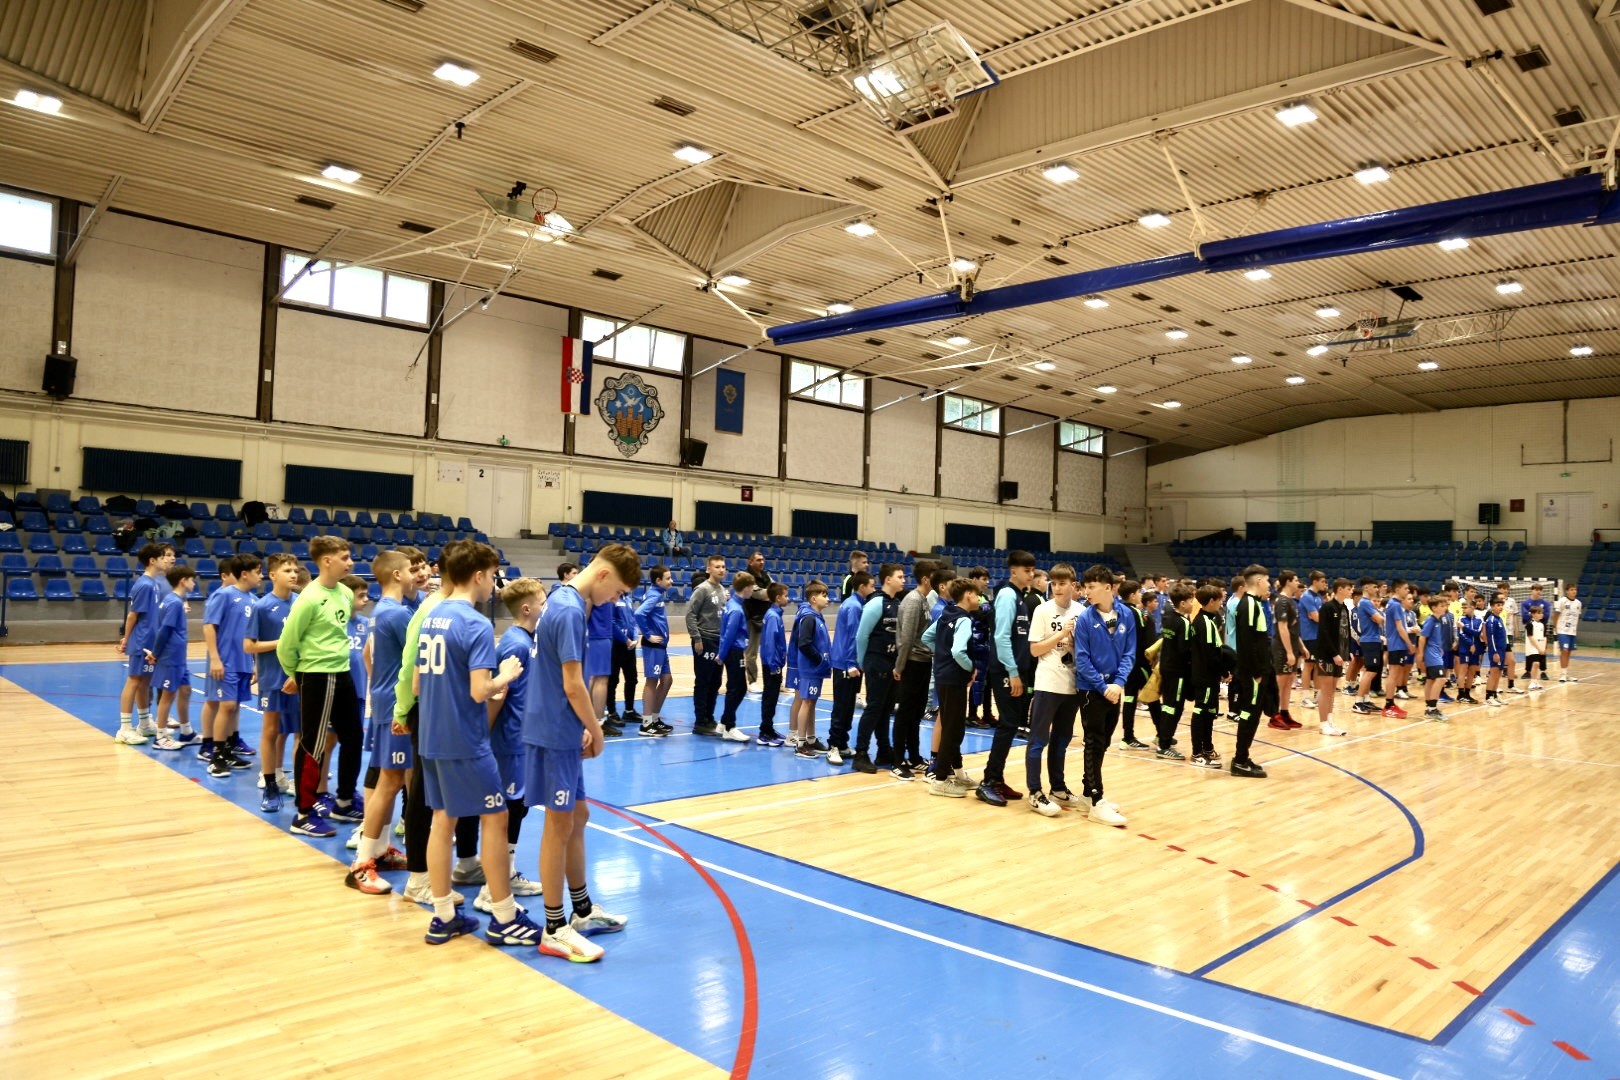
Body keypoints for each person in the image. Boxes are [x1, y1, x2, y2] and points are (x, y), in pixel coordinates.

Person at [524, 542, 640, 962]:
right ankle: (554, 927)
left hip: (561, 725)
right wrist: (596, 728)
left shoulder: (564, 598)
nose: (615, 599)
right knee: (558, 825)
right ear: (604, 575)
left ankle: (583, 910)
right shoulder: (571, 609)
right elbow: (573, 684)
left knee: (578, 816)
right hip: (555, 730)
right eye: (618, 591)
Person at [414, 541, 531, 946]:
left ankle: (444, 914)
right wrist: (506, 675)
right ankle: (505, 916)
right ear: (479, 575)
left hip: (431, 735)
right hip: (464, 740)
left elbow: (417, 684)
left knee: (442, 821)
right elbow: (481, 691)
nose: (494, 584)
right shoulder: (475, 623)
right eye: (493, 575)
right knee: (495, 819)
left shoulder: (431, 615)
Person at [277, 536, 364, 837]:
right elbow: (287, 645)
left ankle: (344, 801)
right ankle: (303, 814)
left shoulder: (345, 593)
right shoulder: (309, 598)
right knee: (312, 744)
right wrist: (298, 675)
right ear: (327, 561)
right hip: (316, 674)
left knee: (353, 737)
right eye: (344, 557)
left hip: (342, 672)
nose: (350, 562)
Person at [474, 576, 548, 913]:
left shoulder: (528, 640)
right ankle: (491, 889)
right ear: (527, 608)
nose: (546, 608)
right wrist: (485, 738)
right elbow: (497, 695)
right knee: (506, 811)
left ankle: (507, 874)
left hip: (523, 739)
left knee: (518, 808)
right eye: (543, 603)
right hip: (508, 742)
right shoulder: (515, 644)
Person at [345, 551, 414, 894]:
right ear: (397, 575)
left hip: (388, 701)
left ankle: (382, 850)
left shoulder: (381, 611)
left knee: (397, 780)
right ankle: (361, 863)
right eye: (410, 569)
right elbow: (415, 662)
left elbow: (369, 655)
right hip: (396, 706)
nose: (415, 574)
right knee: (390, 782)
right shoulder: (397, 613)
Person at [974, 550, 1037, 806]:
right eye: (1026, 571)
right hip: (1005, 671)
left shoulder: (1020, 596)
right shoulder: (1008, 596)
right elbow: (1000, 637)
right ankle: (988, 782)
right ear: (1013, 572)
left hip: (1017, 670)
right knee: (1007, 724)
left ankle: (996, 779)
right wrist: (1012, 672)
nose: (1031, 575)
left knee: (1010, 725)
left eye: (1032, 570)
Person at [1024, 564, 1080, 819]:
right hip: (1048, 683)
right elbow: (1035, 650)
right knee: (1038, 740)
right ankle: (1035, 792)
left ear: (1073, 585)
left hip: (1072, 684)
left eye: (1062, 583)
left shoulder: (1081, 611)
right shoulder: (1042, 610)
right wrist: (1061, 635)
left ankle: (1057, 788)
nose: (1057, 588)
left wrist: (1073, 641)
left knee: (1062, 739)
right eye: (1053, 584)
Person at [246, 553, 301, 808]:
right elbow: (249, 646)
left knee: (301, 732)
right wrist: (282, 643)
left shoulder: (302, 603)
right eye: (287, 570)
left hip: (299, 678)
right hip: (273, 678)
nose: (293, 574)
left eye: (295, 570)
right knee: (271, 730)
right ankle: (270, 784)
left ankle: (301, 783)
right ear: (272, 575)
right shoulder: (262, 606)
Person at [920, 576, 980, 797]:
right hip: (954, 679)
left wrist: (941, 655)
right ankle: (940, 780)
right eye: (977, 594)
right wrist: (971, 668)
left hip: (943, 677)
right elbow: (958, 651)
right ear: (968, 595)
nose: (979, 598)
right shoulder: (963, 620)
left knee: (951, 726)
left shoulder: (947, 614)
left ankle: (959, 773)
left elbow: (926, 637)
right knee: (953, 730)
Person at [205, 554, 261, 780]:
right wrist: (215, 658)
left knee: (234, 705)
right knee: (226, 705)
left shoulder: (254, 600)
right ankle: (216, 756)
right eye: (258, 572)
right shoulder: (225, 595)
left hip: (243, 661)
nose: (261, 576)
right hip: (226, 660)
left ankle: (228, 750)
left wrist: (255, 664)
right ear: (244, 574)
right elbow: (209, 626)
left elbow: (253, 636)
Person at [115, 541, 176, 744]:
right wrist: (126, 639)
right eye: (162, 557)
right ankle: (124, 728)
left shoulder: (154, 583)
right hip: (141, 641)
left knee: (145, 682)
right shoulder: (144, 585)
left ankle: (144, 723)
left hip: (151, 641)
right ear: (152, 561)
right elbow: (133, 615)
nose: (167, 560)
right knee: (134, 680)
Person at [851, 562, 905, 773]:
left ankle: (884, 750)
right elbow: (861, 636)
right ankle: (861, 753)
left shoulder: (897, 603)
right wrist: (863, 662)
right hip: (877, 661)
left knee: (886, 709)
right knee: (874, 708)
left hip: (892, 662)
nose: (903, 580)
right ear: (888, 579)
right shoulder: (876, 603)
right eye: (900, 577)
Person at [889, 559, 936, 780]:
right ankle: (897, 761)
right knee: (905, 714)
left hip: (924, 661)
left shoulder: (924, 600)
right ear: (926, 579)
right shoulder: (913, 600)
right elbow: (906, 638)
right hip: (911, 663)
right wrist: (900, 666)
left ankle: (914, 756)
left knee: (917, 713)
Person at [1226, 564, 1273, 779]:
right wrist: (1257, 671)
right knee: (1249, 714)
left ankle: (1243, 756)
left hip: (1255, 670)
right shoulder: (1249, 605)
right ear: (1259, 581)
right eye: (1267, 580)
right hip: (1253, 673)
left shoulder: (1253, 603)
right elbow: (1247, 643)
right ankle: (1239, 760)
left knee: (1252, 715)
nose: (1269, 585)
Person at [145, 565, 198, 751]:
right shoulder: (174, 603)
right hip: (171, 656)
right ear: (183, 581)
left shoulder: (174, 600)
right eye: (192, 580)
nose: (194, 583)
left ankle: (187, 732)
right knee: (168, 695)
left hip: (179, 656)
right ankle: (160, 737)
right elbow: (164, 630)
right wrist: (156, 654)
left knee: (186, 690)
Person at [826, 571, 872, 765]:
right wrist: (852, 663)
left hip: (851, 663)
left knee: (848, 706)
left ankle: (842, 743)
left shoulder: (857, 604)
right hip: (845, 664)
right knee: (841, 707)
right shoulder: (854, 606)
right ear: (861, 587)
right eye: (871, 586)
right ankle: (833, 746)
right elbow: (853, 637)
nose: (874, 589)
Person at [1149, 581, 1194, 760]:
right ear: (1182, 603)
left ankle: (1162, 736)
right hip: (1177, 671)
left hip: (1166, 667)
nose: (1192, 604)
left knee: (1169, 705)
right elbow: (1185, 650)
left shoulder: (1168, 618)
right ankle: (1164, 746)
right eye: (1190, 600)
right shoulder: (1183, 623)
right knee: (1173, 707)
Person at [1187, 585, 1228, 769]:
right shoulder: (1204, 622)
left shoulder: (1205, 620)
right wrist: (1224, 671)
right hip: (1204, 676)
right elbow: (1211, 653)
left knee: (1210, 712)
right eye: (1219, 600)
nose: (1221, 604)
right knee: (1201, 712)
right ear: (1211, 601)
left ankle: (1207, 747)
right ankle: (1197, 753)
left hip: (1209, 676)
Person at [685, 555, 727, 736]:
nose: (721, 570)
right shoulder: (702, 589)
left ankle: (709, 717)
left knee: (716, 681)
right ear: (709, 569)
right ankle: (700, 721)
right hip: (705, 640)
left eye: (723, 567)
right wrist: (697, 638)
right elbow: (690, 614)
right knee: (703, 681)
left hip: (719, 641)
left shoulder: (722, 589)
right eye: (717, 567)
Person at [789, 581, 832, 758]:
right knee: (806, 702)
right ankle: (800, 744)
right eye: (824, 595)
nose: (828, 599)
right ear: (814, 599)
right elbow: (804, 643)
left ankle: (811, 739)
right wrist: (818, 659)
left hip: (816, 668)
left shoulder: (816, 616)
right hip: (810, 668)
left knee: (811, 702)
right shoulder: (809, 618)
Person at [634, 565, 675, 737]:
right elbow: (639, 614)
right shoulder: (654, 595)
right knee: (652, 681)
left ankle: (654, 719)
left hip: (661, 646)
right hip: (653, 646)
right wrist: (648, 635)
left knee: (666, 680)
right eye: (668, 578)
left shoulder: (657, 594)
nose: (671, 581)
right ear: (658, 580)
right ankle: (646, 724)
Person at [715, 571, 754, 742]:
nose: (753, 590)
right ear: (746, 588)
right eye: (751, 587)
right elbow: (729, 634)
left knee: (739, 688)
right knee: (736, 688)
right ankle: (729, 727)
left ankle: (724, 722)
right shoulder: (736, 609)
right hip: (734, 651)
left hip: (733, 650)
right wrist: (722, 654)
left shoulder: (733, 604)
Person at [1313, 578, 1353, 737]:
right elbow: (1324, 633)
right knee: (1325, 689)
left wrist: (1347, 650)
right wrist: (1334, 653)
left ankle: (1330, 721)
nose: (1351, 591)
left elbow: (1345, 632)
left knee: (1332, 690)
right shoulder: (1327, 607)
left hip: (1339, 655)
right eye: (1349, 588)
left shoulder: (1344, 608)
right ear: (1340, 589)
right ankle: (1323, 724)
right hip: (1326, 655)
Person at [583, 571, 619, 738]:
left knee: (594, 678)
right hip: (599, 636)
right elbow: (585, 614)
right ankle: (597, 723)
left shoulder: (601, 589)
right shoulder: (596, 590)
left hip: (600, 635)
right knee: (600, 680)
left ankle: (592, 720)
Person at [1269, 570, 1303, 730]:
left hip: (1292, 644)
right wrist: (1289, 652)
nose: (1298, 583)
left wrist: (1301, 647)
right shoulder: (1281, 601)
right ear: (1288, 582)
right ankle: (1273, 715)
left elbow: (1292, 627)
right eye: (1296, 580)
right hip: (1282, 647)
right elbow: (1282, 628)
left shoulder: (1291, 601)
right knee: (1281, 681)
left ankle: (1284, 712)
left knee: (1289, 680)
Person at [758, 582, 789, 747]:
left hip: (774, 663)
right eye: (786, 596)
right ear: (778, 598)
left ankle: (768, 728)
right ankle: (764, 732)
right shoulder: (773, 616)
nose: (788, 599)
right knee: (770, 698)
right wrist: (772, 665)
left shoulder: (775, 614)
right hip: (772, 665)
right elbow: (769, 643)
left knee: (773, 697)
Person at [605, 590, 641, 729]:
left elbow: (633, 621)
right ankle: (612, 712)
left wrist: (635, 638)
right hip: (615, 645)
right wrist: (625, 640)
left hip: (630, 646)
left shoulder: (628, 599)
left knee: (632, 678)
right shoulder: (612, 598)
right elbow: (611, 622)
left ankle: (629, 711)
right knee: (612, 680)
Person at [965, 566, 995, 728]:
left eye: (987, 579)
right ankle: (972, 715)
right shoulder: (969, 596)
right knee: (977, 682)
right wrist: (988, 611)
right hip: (975, 646)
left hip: (986, 646)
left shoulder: (984, 597)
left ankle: (987, 714)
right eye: (984, 579)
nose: (987, 582)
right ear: (974, 579)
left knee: (987, 682)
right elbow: (979, 614)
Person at [1351, 579, 1386, 716]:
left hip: (1373, 639)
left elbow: (1379, 619)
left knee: (1371, 670)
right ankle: (1358, 702)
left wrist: (1378, 617)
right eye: (1374, 587)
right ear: (1366, 587)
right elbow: (1381, 620)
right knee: (1371, 671)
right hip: (1370, 639)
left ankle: (1365, 700)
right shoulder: (1365, 602)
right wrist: (1378, 617)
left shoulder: (1367, 603)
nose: (1377, 589)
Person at [740, 551, 774, 690]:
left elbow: (776, 589)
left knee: (771, 651)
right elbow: (757, 594)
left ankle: (774, 680)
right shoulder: (746, 577)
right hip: (752, 618)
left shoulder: (766, 575)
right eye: (758, 560)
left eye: (763, 560)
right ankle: (752, 681)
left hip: (767, 618)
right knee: (751, 652)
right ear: (750, 562)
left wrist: (769, 594)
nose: (762, 562)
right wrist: (769, 594)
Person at [1381, 580, 1413, 718]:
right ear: (1398, 589)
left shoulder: (1393, 604)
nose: (1408, 591)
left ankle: (1391, 704)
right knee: (1393, 675)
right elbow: (1400, 628)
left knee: (1395, 674)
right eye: (1405, 588)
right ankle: (1388, 706)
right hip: (1397, 644)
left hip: (1396, 644)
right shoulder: (1395, 605)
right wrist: (1409, 644)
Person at [1417, 595, 1452, 722]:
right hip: (1432, 655)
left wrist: (1440, 647)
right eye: (1441, 606)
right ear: (1434, 608)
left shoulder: (1438, 620)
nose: (1444, 608)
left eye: (1445, 605)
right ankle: (1432, 709)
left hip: (1436, 653)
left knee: (1431, 680)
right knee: (1441, 678)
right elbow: (1422, 637)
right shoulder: (1431, 620)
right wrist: (1420, 654)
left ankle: (1429, 708)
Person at [1481, 595, 1509, 707]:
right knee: (1493, 672)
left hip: (1502, 650)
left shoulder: (1499, 619)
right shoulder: (1491, 620)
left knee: (1499, 672)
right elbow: (1491, 637)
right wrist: (1495, 652)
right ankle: (1488, 697)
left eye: (1501, 605)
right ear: (1492, 607)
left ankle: (1494, 695)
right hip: (1495, 651)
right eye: (1498, 605)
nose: (1500, 607)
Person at [1554, 583, 1582, 682]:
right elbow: (1556, 615)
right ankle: (1562, 674)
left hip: (1572, 632)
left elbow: (1576, 617)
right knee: (1564, 651)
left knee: (1569, 652)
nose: (1574, 591)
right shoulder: (1562, 601)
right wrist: (1555, 627)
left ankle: (1566, 674)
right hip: (1562, 630)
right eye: (1571, 589)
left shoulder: (1578, 603)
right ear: (1567, 591)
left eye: (1575, 589)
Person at [1523, 602, 1548, 690]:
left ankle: (1536, 682)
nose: (1541, 614)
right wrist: (1538, 647)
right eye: (1539, 613)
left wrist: (1543, 647)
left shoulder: (1542, 625)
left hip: (1541, 648)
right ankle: (1533, 682)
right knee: (1535, 663)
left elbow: (1544, 637)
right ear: (1533, 614)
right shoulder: (1529, 624)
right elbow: (1531, 637)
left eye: (1542, 613)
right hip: (1532, 648)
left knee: (1538, 665)